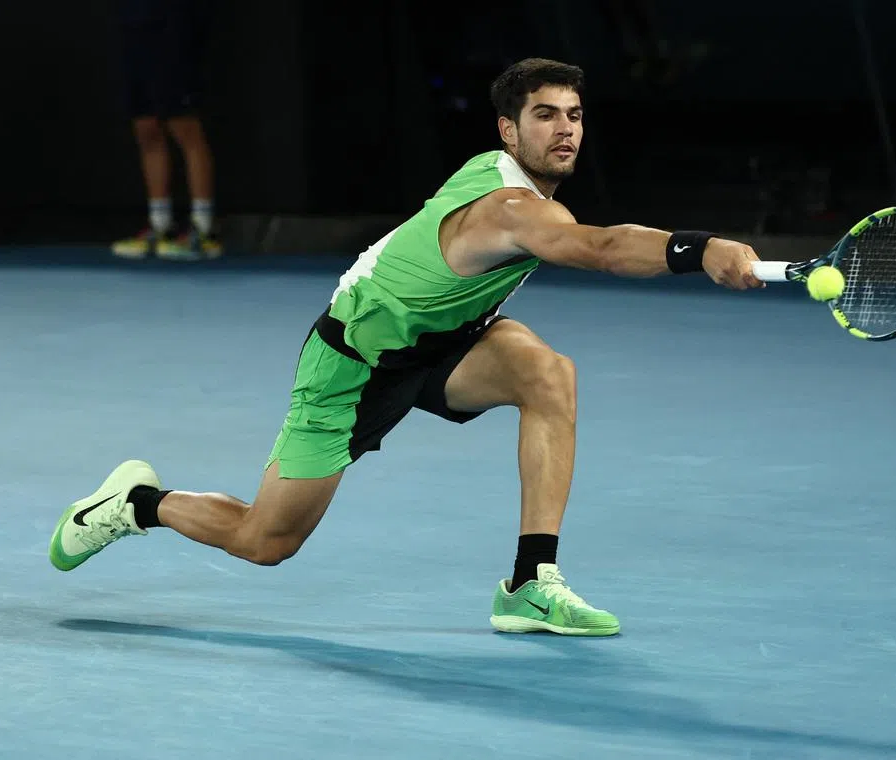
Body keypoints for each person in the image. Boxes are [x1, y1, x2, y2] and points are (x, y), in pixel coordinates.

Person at [50, 57, 764, 636]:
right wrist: (698, 249)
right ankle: (136, 502)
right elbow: (604, 250)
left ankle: (529, 583)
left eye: (574, 115)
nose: (565, 130)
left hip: (443, 347)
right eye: (544, 115)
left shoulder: (536, 200)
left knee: (548, 375)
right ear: (508, 133)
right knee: (264, 541)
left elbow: (589, 240)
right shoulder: (507, 207)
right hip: (351, 368)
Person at [111, 0, 222, 261]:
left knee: (182, 124)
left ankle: (203, 228)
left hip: (173, 23)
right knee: (145, 125)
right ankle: (161, 225)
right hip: (135, 23)